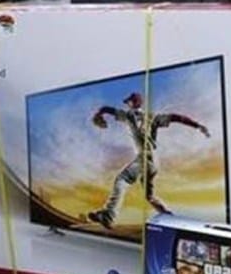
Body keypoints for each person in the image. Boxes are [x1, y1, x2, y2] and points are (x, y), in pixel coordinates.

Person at [85, 92, 210, 229]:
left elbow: (107, 109)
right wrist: (198, 126)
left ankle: (108, 216)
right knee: (149, 196)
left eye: (128, 102)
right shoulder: (153, 117)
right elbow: (176, 117)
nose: (127, 105)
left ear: (134, 103)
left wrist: (99, 114)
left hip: (144, 158)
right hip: (154, 161)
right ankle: (169, 218)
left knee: (122, 180)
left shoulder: (129, 116)